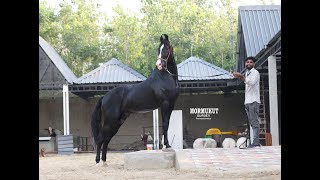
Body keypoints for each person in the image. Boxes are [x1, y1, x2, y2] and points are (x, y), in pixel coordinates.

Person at [233, 56, 261, 148]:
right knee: (251, 122)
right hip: (248, 101)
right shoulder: (247, 73)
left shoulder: (255, 73)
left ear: (254, 64)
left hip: (253, 100)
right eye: (247, 62)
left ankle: (255, 142)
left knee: (254, 122)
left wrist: (241, 77)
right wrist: (238, 76)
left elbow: (252, 83)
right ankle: (252, 142)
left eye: (250, 62)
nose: (248, 63)